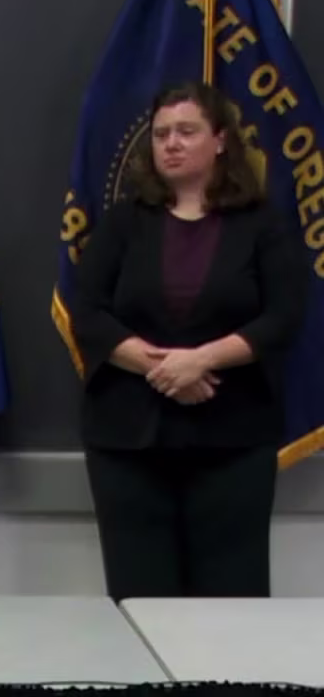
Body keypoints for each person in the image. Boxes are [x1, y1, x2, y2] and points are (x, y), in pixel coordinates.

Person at [70, 82, 308, 601]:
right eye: (160, 135)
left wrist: (201, 360)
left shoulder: (262, 225)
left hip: (233, 440)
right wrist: (161, 368)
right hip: (128, 441)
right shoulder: (124, 223)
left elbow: (286, 317)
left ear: (220, 141)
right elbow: (86, 313)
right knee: (140, 600)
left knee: (231, 601)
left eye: (186, 131)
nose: (170, 144)